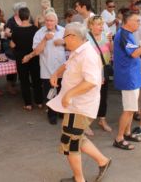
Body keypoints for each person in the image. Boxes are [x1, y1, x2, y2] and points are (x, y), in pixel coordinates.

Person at [47, 22, 111, 182]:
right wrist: (56, 73)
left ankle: (79, 179)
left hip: (80, 106)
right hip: (75, 105)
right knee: (75, 138)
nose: (63, 40)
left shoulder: (88, 54)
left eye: (65, 37)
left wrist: (69, 94)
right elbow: (67, 64)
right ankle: (103, 161)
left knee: (70, 143)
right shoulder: (78, 51)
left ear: (73, 37)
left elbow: (91, 81)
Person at [113, 11, 141, 150]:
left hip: (132, 75)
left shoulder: (127, 34)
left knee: (132, 108)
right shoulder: (124, 35)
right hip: (128, 77)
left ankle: (127, 133)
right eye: (137, 21)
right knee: (129, 109)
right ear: (128, 22)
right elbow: (134, 53)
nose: (139, 23)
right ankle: (119, 138)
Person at [23, 12, 66, 124]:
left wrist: (64, 42)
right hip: (47, 68)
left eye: (51, 20)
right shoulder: (39, 33)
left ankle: (61, 112)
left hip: (62, 67)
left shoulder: (63, 30)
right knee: (49, 93)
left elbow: (72, 45)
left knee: (62, 91)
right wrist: (45, 40)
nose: (49, 22)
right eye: (47, 20)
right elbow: (36, 52)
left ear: (56, 21)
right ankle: (51, 114)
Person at [10, 7, 42, 110]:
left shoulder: (15, 30)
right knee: (36, 79)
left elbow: (12, 44)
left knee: (24, 80)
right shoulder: (35, 29)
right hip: (34, 56)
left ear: (19, 17)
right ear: (29, 16)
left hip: (21, 57)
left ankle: (28, 103)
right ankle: (39, 102)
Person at [87, 15, 114, 132]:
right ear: (91, 26)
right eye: (98, 24)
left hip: (104, 71)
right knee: (90, 98)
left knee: (103, 97)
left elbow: (111, 51)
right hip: (91, 72)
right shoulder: (86, 38)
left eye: (102, 24)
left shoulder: (105, 36)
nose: (101, 27)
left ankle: (102, 119)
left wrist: (111, 41)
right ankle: (86, 123)